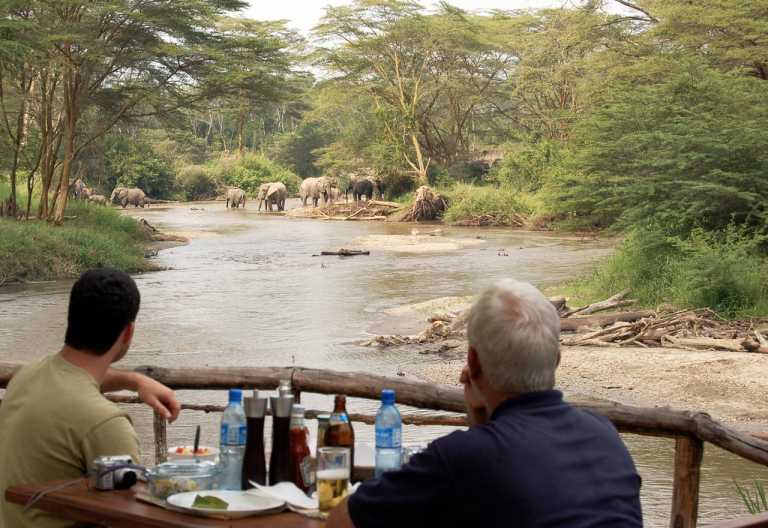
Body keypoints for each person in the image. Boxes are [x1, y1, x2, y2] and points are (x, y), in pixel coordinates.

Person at [328, 279, 642, 528]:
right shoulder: (604, 433)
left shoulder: (461, 457)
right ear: (556, 361)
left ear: (472, 362)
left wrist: (476, 417)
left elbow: (341, 522)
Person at [0, 268, 181, 528]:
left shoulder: (26, 377)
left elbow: (76, 380)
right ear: (128, 333)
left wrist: (135, 381)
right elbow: (135, 519)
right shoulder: (105, 422)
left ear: (71, 317)